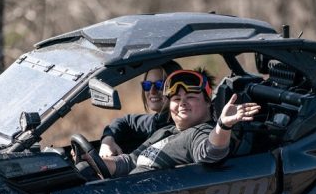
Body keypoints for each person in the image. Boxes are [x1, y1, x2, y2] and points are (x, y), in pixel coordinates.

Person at [100, 68, 261, 178]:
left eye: (190, 97)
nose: (182, 103)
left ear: (208, 103)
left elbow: (211, 151)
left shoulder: (200, 132)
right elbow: (129, 162)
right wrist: (94, 163)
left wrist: (223, 125)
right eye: (176, 99)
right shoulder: (165, 130)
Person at [99, 59, 181, 156]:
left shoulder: (179, 128)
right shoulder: (158, 119)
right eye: (147, 85)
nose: (152, 91)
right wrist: (107, 140)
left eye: (160, 85)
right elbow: (126, 121)